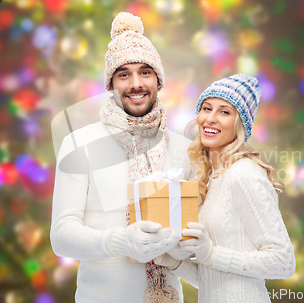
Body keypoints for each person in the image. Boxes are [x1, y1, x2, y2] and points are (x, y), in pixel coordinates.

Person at [50, 12, 194, 303]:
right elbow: (61, 236)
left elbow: (196, 244)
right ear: (111, 84)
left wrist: (186, 250)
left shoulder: (184, 149)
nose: (135, 84)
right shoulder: (80, 143)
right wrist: (119, 241)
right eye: (124, 74)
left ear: (158, 80)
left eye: (145, 72)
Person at [154, 74, 296, 303]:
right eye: (206, 108)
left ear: (240, 125)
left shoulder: (245, 174)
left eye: (224, 111)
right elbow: (215, 279)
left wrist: (211, 253)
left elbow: (284, 263)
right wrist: (177, 263)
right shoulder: (209, 178)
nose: (210, 118)